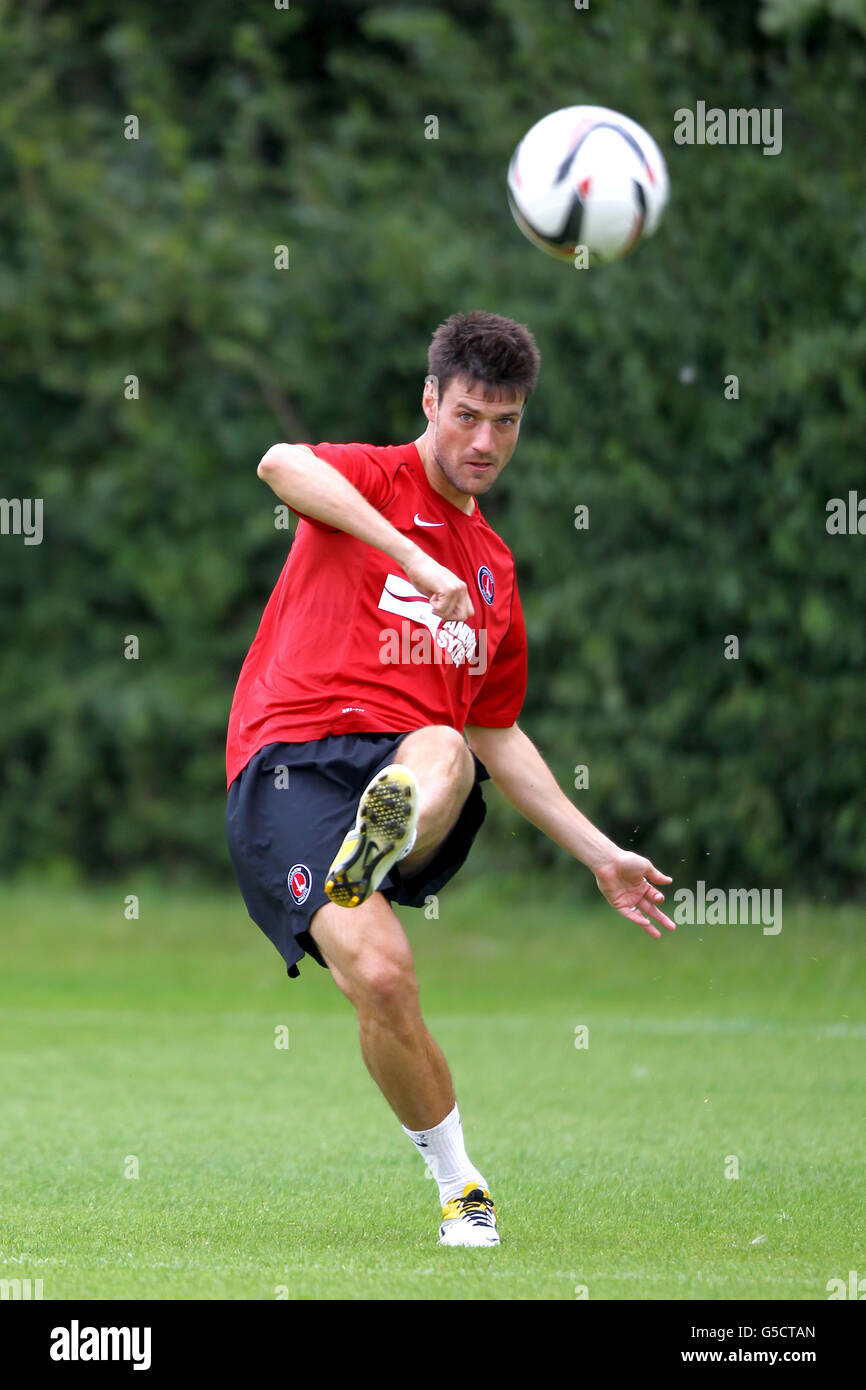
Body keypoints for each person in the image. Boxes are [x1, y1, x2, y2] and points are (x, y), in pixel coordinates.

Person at [225, 310, 675, 1247]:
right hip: (287, 767)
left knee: (448, 746)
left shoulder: (497, 574)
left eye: (505, 423)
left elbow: (500, 733)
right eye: (467, 415)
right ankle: (458, 1177)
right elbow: (278, 462)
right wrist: (415, 557)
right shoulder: (372, 478)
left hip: (410, 761)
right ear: (430, 401)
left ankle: (382, 833)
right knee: (383, 976)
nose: (483, 441)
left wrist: (601, 855)